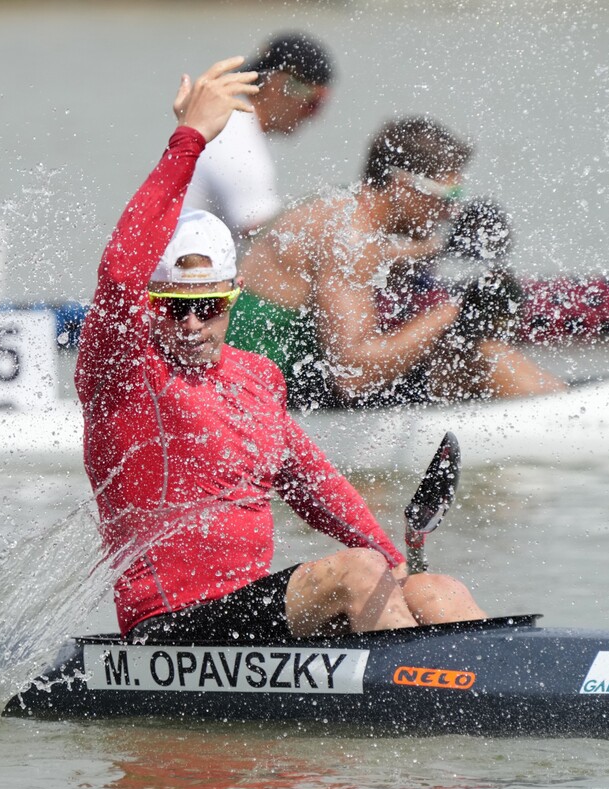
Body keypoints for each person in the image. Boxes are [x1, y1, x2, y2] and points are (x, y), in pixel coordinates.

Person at [75, 57, 484, 643]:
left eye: (208, 305)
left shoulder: (256, 376)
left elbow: (315, 483)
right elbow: (119, 272)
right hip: (168, 628)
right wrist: (187, 141)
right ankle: (414, 715)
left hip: (247, 615)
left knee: (433, 588)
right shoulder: (125, 369)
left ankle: (513, 715)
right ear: (150, 303)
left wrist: (395, 560)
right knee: (358, 571)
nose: (190, 322)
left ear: (232, 299)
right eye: (172, 305)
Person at [226, 116, 566, 409]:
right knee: (482, 358)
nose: (451, 211)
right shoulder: (350, 239)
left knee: (452, 352)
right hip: (268, 394)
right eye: (448, 196)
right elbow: (352, 374)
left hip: (266, 374)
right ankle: (564, 418)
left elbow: (375, 258)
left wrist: (443, 247)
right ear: (404, 184)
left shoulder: (341, 209)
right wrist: (455, 311)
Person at [182, 33, 334, 238]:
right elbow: (269, 237)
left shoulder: (232, 122)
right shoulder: (234, 138)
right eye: (314, 103)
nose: (315, 116)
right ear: (282, 85)